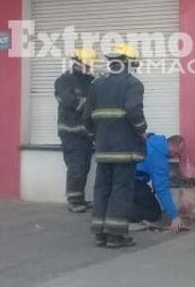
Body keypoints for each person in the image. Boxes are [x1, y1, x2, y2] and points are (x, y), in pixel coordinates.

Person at [83, 43, 147, 248]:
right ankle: (116, 235)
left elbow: (87, 117)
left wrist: (96, 137)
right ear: (127, 62)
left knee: (102, 188)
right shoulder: (132, 84)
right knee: (121, 189)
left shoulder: (96, 84)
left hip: (103, 148)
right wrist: (142, 129)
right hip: (125, 148)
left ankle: (100, 233)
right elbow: (133, 108)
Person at [54, 48, 97, 213]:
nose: (88, 68)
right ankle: (73, 200)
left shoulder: (90, 81)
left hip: (86, 134)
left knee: (84, 167)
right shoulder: (64, 81)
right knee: (76, 167)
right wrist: (90, 107)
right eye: (87, 64)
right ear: (78, 63)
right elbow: (70, 101)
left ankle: (80, 198)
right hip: (71, 133)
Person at [131, 133, 187, 234]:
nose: (178, 156)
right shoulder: (159, 159)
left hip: (126, 178)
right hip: (132, 182)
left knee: (148, 202)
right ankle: (119, 212)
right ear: (170, 144)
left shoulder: (153, 141)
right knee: (153, 214)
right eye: (177, 152)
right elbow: (161, 189)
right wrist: (174, 216)